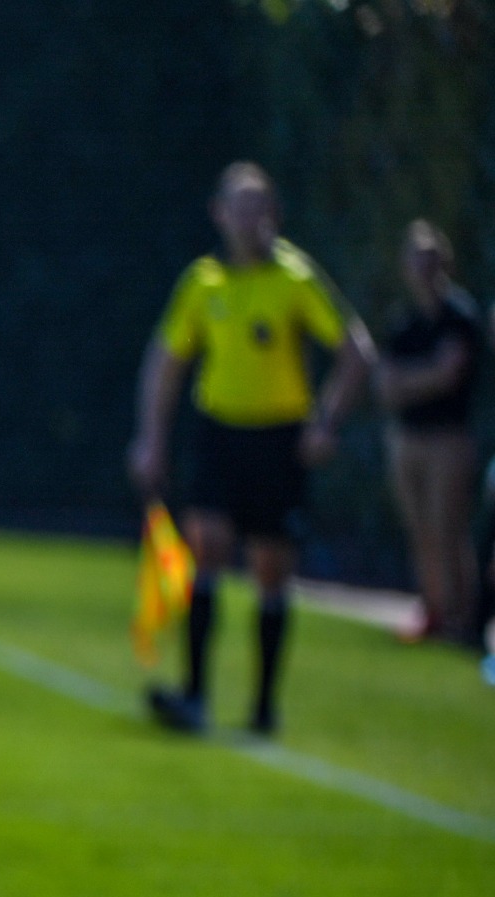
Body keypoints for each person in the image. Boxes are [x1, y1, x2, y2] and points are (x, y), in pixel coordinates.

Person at [129, 162, 374, 738]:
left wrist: (326, 423)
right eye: (238, 206)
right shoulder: (203, 283)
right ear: (218, 213)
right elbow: (166, 364)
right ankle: (193, 695)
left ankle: (263, 706)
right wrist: (151, 439)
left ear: (274, 216)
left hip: (278, 439)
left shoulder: (295, 279)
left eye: (258, 206)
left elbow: (355, 352)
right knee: (206, 547)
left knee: (270, 568)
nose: (248, 218)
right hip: (220, 433)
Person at [375, 221, 483, 647]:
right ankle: (433, 607)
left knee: (448, 527)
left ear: (446, 263)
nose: (423, 267)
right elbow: (385, 386)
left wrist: (409, 380)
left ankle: (463, 616)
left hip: (449, 438)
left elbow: (449, 374)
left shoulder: (460, 315)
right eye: (416, 258)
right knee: (419, 527)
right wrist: (424, 376)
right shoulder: (403, 323)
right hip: (408, 438)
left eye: (431, 257)